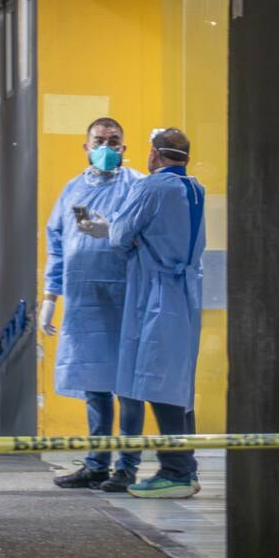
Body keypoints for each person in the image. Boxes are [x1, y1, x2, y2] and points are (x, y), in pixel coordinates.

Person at [98, 127, 205, 499]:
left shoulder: (149, 187)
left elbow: (118, 237)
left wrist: (113, 230)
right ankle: (185, 467)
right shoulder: (195, 188)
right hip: (185, 292)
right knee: (177, 379)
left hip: (156, 293)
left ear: (154, 155)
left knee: (159, 380)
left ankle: (175, 471)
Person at [40, 117, 146, 493]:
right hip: (85, 299)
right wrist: (50, 297)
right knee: (94, 386)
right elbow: (56, 245)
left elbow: (148, 236)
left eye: (113, 141)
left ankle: (127, 467)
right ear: (85, 147)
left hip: (125, 297)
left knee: (128, 385)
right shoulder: (72, 191)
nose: (106, 147)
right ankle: (96, 464)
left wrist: (113, 229)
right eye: (99, 140)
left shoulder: (138, 187)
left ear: (124, 147)